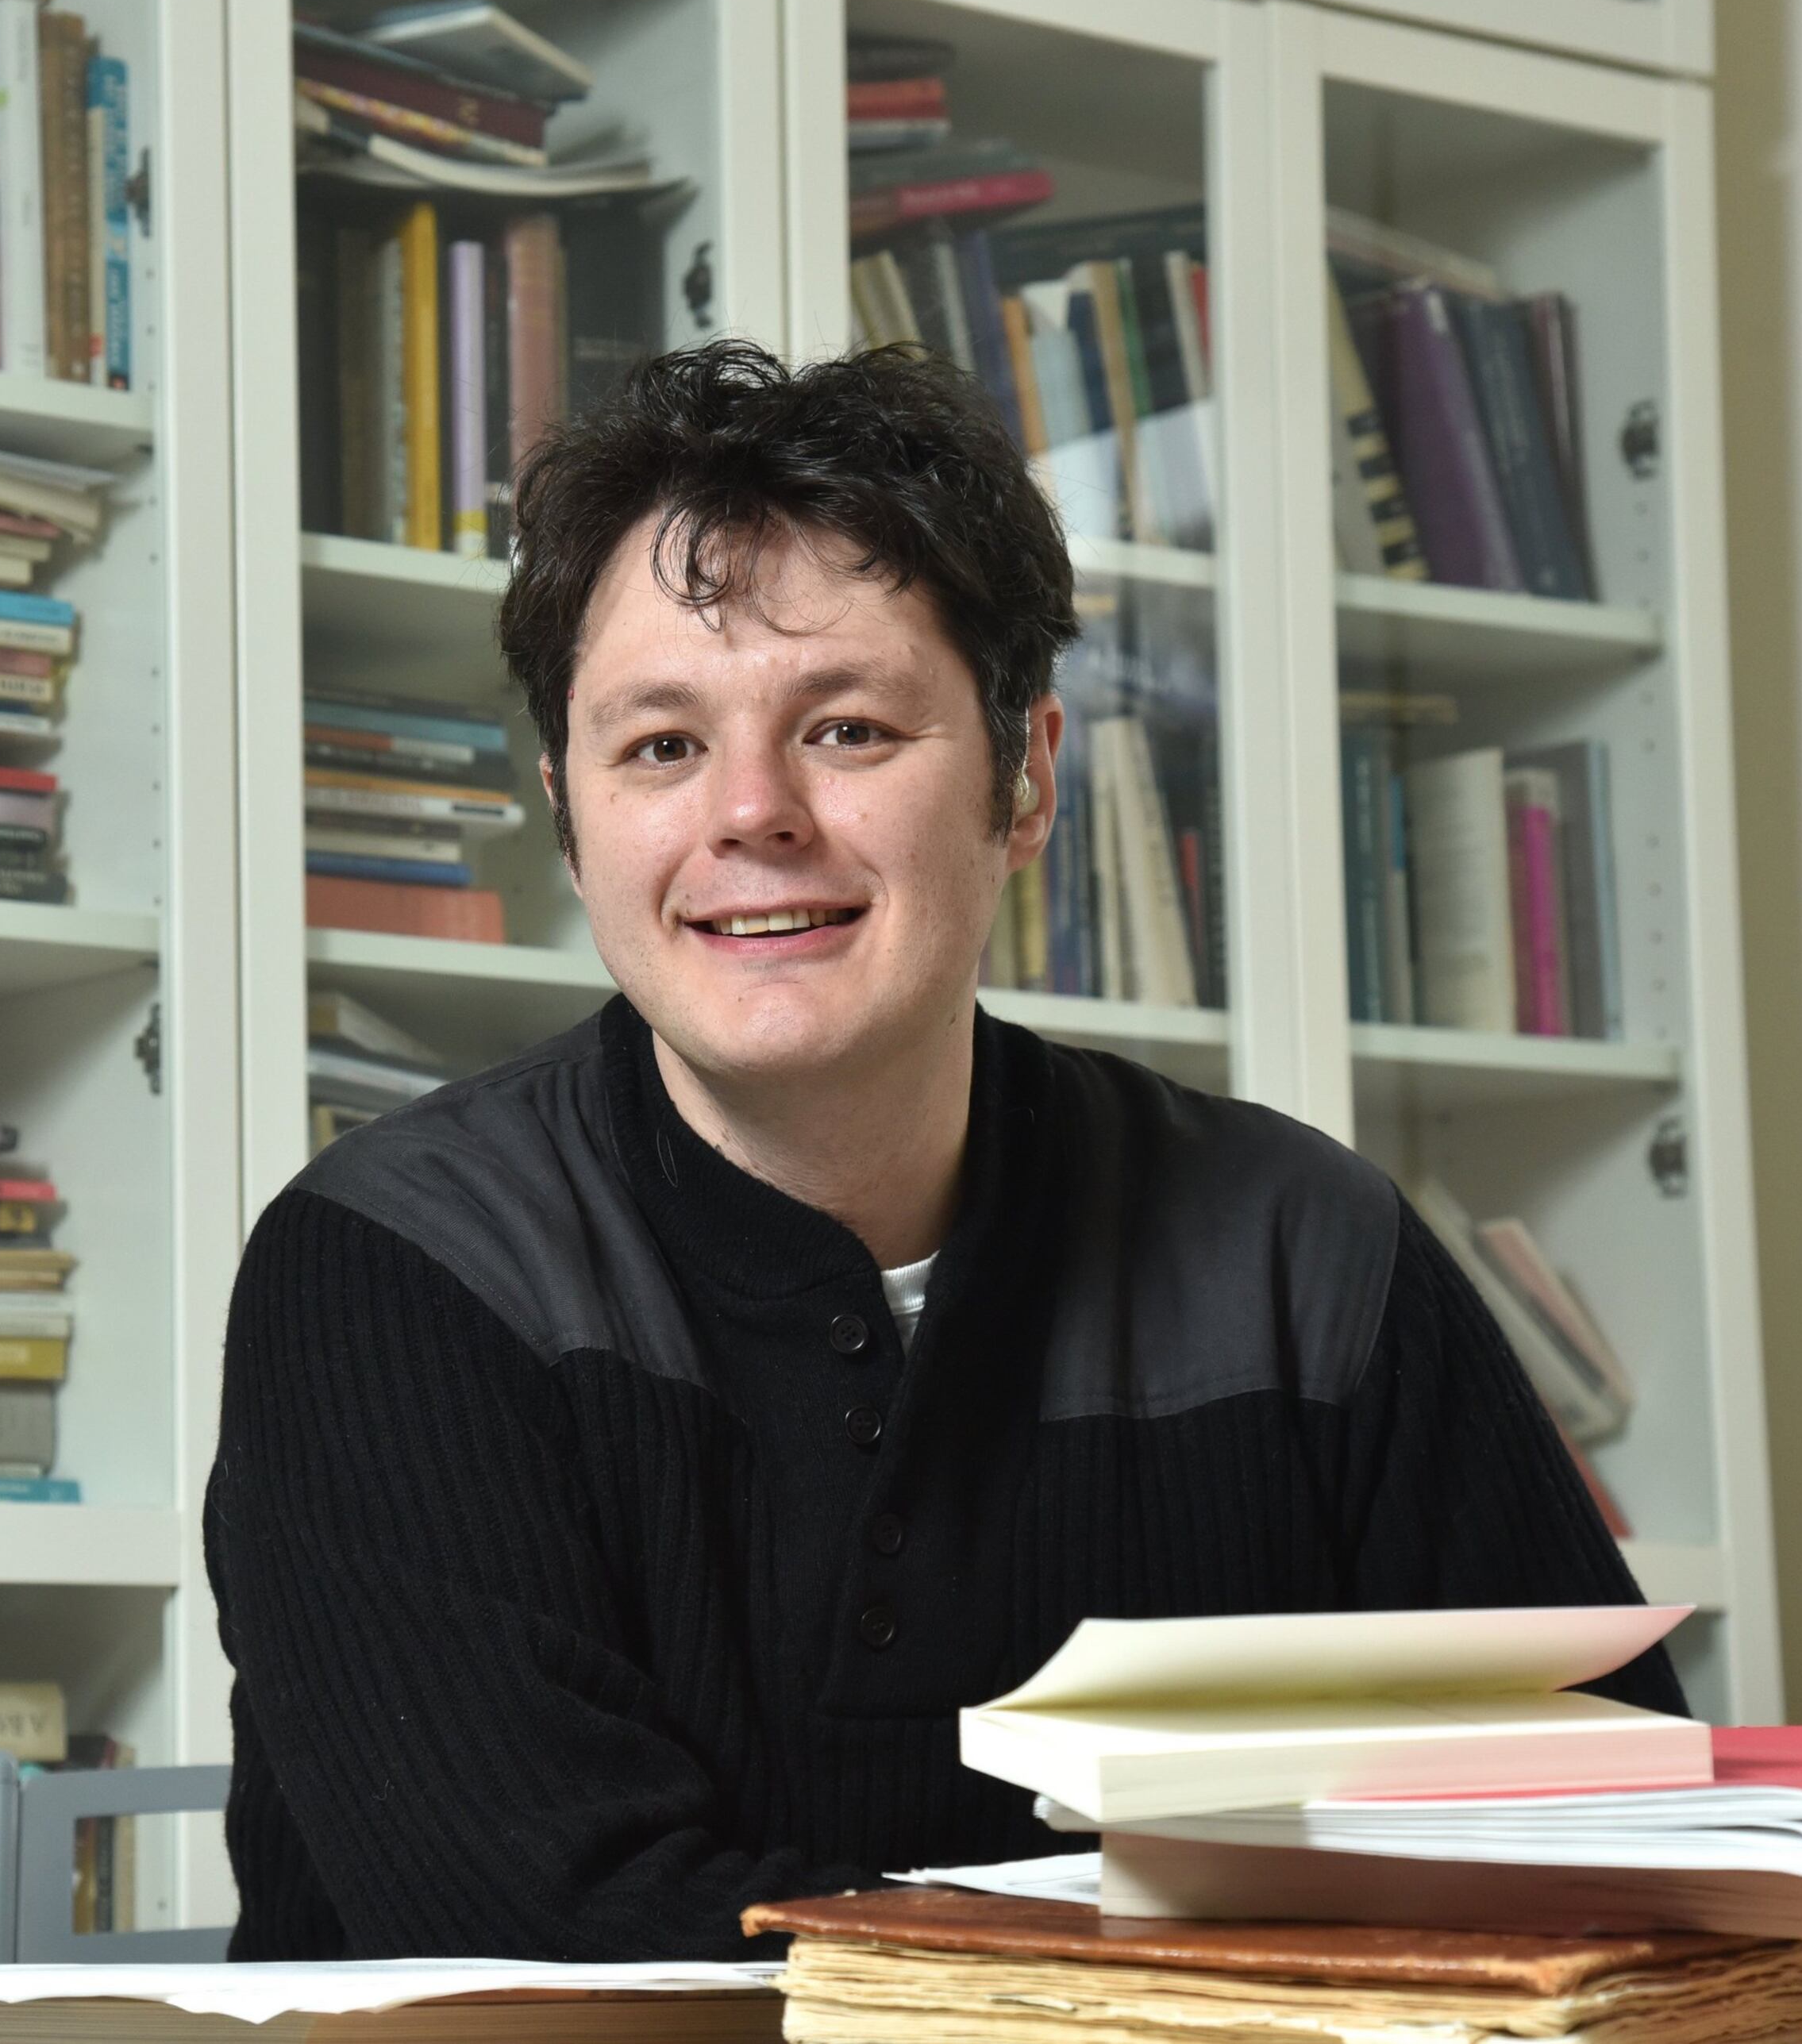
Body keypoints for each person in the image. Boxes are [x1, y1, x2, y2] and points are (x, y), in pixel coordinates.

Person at [204, 340, 1678, 1961]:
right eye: (660, 747)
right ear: (568, 816)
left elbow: (1611, 1827)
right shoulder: (395, 1274)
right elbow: (578, 1959)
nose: (750, 813)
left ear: (1027, 775)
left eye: (845, 729)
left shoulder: (1305, 1251)